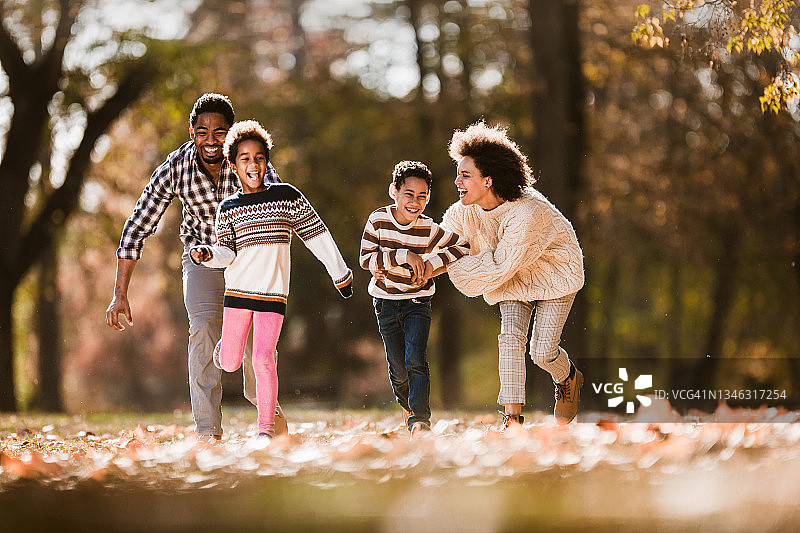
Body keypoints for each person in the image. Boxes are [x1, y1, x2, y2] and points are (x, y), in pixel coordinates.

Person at [105, 93, 286, 439]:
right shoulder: (177, 167)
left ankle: (270, 420)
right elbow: (137, 226)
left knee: (253, 347)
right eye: (202, 132)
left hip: (246, 263)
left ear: (232, 134)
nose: (211, 141)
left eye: (220, 133)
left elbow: (282, 211)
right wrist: (119, 294)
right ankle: (207, 432)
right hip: (201, 259)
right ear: (192, 133)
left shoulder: (250, 163)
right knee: (203, 329)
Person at [190, 120, 353, 437]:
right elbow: (228, 252)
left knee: (263, 359)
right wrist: (208, 254)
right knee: (232, 362)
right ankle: (225, 348)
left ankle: (265, 430)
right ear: (234, 165)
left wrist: (340, 273)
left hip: (272, 296)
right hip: (238, 294)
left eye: (259, 157)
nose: (254, 164)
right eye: (245, 158)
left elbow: (318, 236)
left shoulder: (286, 197)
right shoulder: (229, 208)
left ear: (267, 160)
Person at [440, 121, 585, 427]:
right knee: (510, 338)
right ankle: (513, 419)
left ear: (489, 179)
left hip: (554, 274)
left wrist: (454, 266)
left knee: (542, 352)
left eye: (465, 175)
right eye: (458, 174)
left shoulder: (527, 212)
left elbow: (497, 266)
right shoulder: (463, 210)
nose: (457, 182)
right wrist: (418, 262)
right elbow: (443, 244)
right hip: (512, 277)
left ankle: (569, 376)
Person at [360, 161, 470, 435]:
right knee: (399, 368)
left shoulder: (429, 229)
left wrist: (432, 264)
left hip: (418, 301)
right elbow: (365, 259)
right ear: (393, 191)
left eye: (422, 196)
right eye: (409, 194)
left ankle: (420, 419)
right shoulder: (378, 221)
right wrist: (403, 255)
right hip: (385, 302)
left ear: (428, 198)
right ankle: (409, 404)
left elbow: (463, 245)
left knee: (416, 360)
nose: (415, 202)